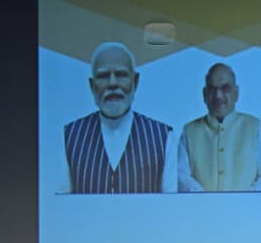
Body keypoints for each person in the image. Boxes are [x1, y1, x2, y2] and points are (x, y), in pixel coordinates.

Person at [57, 42, 177, 194]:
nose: (112, 83)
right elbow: (61, 201)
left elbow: (171, 203)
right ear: (92, 86)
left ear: (135, 81)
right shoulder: (69, 136)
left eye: (121, 75)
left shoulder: (162, 137)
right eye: (103, 76)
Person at [178, 63, 261, 192]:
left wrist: (243, 201)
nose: (218, 95)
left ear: (236, 93)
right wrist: (206, 200)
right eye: (212, 89)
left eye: (225, 88)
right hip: (200, 205)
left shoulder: (255, 128)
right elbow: (182, 177)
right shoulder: (189, 132)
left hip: (247, 205)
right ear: (204, 94)